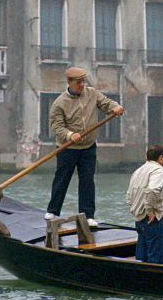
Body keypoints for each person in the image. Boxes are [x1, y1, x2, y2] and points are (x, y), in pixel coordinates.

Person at [46, 67, 123, 228]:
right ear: (69, 82)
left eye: (83, 81)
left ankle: (88, 215)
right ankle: (53, 211)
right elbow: (57, 127)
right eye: (78, 82)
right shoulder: (59, 103)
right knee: (62, 179)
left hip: (88, 147)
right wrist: (70, 135)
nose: (82, 85)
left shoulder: (92, 93)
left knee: (87, 181)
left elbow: (106, 103)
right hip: (67, 148)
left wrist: (115, 107)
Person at [125, 144, 163, 263]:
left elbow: (129, 198)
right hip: (154, 221)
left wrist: (139, 209)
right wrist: (149, 211)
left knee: (141, 258)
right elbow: (152, 190)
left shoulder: (138, 171)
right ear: (161, 158)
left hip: (140, 221)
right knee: (156, 259)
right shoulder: (159, 171)